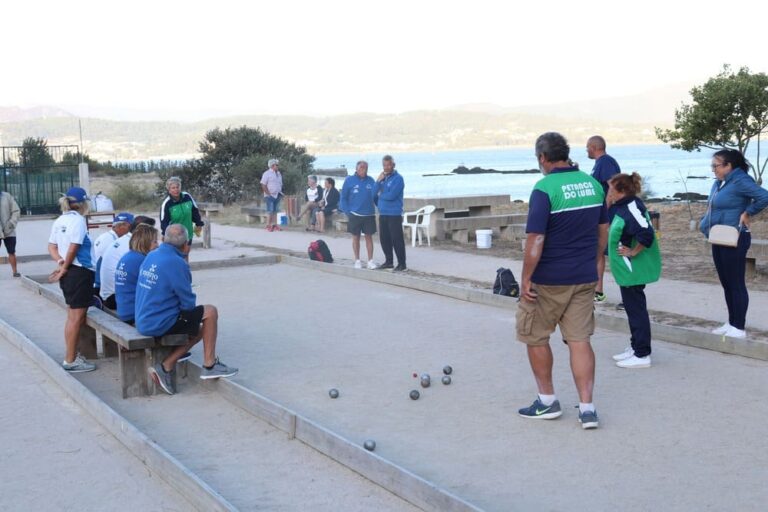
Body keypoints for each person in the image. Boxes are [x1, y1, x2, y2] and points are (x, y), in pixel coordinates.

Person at [516, 132, 608, 430]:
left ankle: (547, 401)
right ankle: (587, 408)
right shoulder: (593, 185)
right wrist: (594, 262)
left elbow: (536, 238)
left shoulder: (544, 189)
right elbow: (603, 230)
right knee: (580, 341)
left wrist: (526, 278)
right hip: (583, 276)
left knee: (535, 336)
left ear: (543, 157)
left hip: (549, 279)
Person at [136, 224, 238, 395]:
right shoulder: (177, 263)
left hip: (143, 318)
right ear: (186, 245)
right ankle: (209, 365)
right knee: (210, 312)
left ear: (163, 239)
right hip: (157, 322)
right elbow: (188, 304)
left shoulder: (151, 255)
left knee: (201, 329)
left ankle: (167, 365)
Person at [700, 149, 768, 339]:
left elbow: (764, 196)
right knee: (726, 282)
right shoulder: (719, 183)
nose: (713, 169)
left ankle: (739, 327)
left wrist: (748, 213)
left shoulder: (740, 180)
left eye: (716, 165)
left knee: (736, 283)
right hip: (718, 236)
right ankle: (731, 322)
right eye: (712, 166)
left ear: (729, 166)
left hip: (735, 237)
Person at [606, 173, 662, 368]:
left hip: (632, 269)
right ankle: (635, 346)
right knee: (632, 309)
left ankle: (642, 354)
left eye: (611, 189)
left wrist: (633, 252)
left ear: (621, 191)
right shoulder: (621, 205)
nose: (608, 192)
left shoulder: (631, 207)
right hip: (624, 270)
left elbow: (647, 233)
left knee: (636, 310)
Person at [47, 187, 97, 373]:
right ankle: (70, 360)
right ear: (83, 203)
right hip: (79, 273)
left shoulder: (60, 220)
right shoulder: (78, 221)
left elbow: (52, 246)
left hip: (70, 273)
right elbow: (74, 248)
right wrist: (65, 267)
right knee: (75, 319)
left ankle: (72, 356)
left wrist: (60, 262)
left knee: (72, 317)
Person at [587, 135, 621, 304]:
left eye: (587, 147)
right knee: (598, 251)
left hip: (609, 215)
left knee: (612, 251)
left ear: (594, 147)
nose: (586, 150)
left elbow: (614, 185)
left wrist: (605, 208)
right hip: (600, 215)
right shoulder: (599, 164)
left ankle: (627, 290)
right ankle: (597, 291)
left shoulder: (606, 162)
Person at [100, 216, 156, 309]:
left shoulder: (124, 240)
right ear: (144, 232)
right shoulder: (134, 245)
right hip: (116, 298)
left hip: (109, 295)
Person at [114, 224, 159, 324]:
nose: (158, 245)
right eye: (155, 241)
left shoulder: (127, 256)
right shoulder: (143, 261)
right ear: (146, 243)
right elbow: (156, 290)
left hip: (124, 310)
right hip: (134, 314)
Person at [339, 161, 378, 269]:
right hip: (355, 214)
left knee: (369, 238)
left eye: (366, 168)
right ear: (356, 169)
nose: (364, 169)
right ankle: (357, 260)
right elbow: (343, 198)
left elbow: (375, 197)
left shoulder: (371, 180)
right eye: (361, 167)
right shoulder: (349, 181)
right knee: (355, 237)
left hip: (369, 214)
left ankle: (370, 261)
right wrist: (348, 212)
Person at [376, 155, 407, 271]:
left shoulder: (398, 178)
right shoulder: (383, 179)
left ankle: (402, 264)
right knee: (384, 239)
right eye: (384, 165)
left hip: (394, 214)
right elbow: (374, 193)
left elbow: (392, 195)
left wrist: (381, 195)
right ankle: (389, 261)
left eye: (389, 165)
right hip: (383, 213)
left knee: (396, 239)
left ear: (393, 165)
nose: (386, 167)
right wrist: (378, 181)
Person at [92, 212, 133, 295]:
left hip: (99, 282)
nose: (131, 231)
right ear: (122, 226)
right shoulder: (112, 241)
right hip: (102, 286)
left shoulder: (105, 236)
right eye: (130, 227)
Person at [160, 176, 204, 244]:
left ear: (180, 187)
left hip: (188, 234)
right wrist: (165, 234)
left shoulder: (187, 196)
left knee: (186, 254)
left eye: (177, 187)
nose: (176, 190)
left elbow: (194, 211)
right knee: (176, 255)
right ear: (169, 190)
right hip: (175, 238)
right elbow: (164, 222)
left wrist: (198, 224)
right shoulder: (166, 204)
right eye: (173, 188)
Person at [0, 190, 21, 277]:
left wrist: (11, 223)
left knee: (11, 251)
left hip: (9, 229)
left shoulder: (6, 196)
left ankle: (15, 271)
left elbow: (16, 211)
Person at [260, 158, 283, 232]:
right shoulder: (266, 174)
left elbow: (280, 183)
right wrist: (268, 193)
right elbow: (263, 184)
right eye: (276, 165)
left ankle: (275, 225)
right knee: (270, 211)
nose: (278, 166)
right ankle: (268, 226)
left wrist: (281, 192)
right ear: (272, 165)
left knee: (276, 210)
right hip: (270, 195)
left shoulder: (279, 173)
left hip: (278, 194)